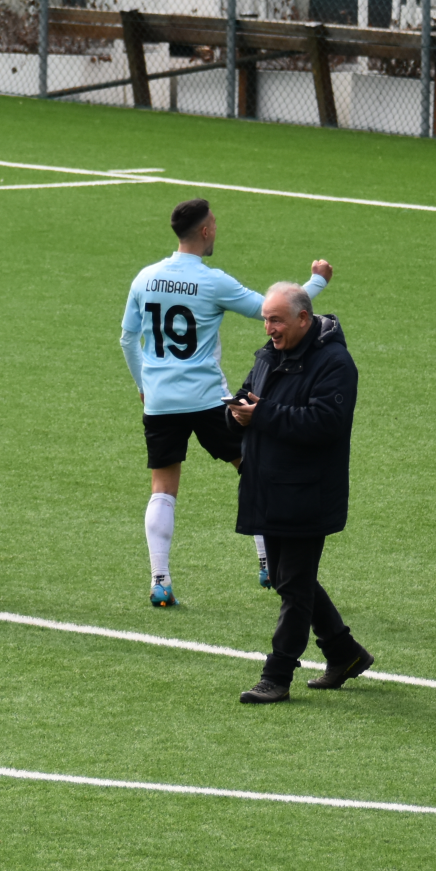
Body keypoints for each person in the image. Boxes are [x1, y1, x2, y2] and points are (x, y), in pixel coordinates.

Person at [119, 197, 331, 607]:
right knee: (253, 469)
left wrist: (143, 384)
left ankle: (159, 579)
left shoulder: (145, 278)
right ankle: (269, 564)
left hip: (160, 400)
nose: (216, 228)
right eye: (214, 223)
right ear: (204, 231)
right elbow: (275, 310)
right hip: (207, 399)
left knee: (163, 489)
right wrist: (318, 280)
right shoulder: (212, 281)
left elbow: (128, 338)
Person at [227, 283, 373, 704]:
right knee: (290, 579)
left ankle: (276, 676)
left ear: (303, 319)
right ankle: (344, 653)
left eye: (276, 320)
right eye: (266, 320)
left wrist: (263, 414)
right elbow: (248, 398)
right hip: (272, 487)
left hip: (309, 493)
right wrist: (236, 414)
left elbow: (326, 422)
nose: (269, 328)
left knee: (293, 585)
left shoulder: (335, 363)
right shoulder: (269, 355)